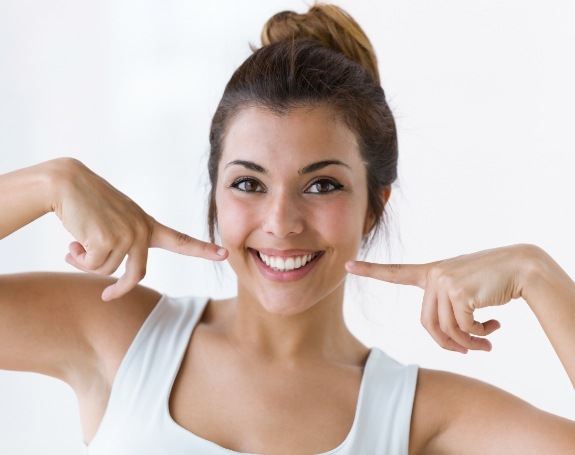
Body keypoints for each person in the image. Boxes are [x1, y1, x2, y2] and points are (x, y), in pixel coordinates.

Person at [1, 2, 574, 454]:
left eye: (322, 185)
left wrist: (536, 272)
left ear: (375, 205)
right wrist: (47, 183)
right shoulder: (118, 334)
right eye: (249, 184)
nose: (281, 223)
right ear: (215, 194)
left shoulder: (416, 413)